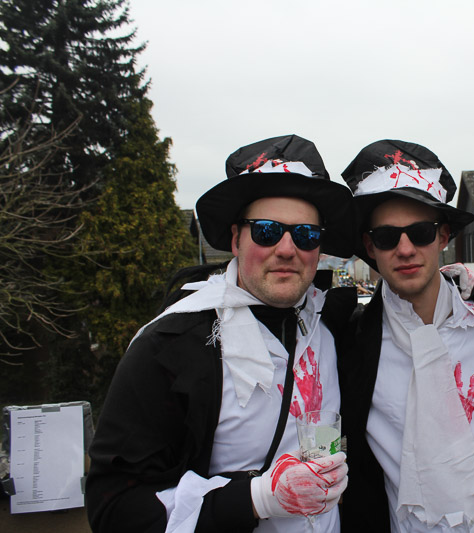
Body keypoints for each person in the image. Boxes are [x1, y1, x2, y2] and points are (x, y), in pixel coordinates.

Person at [86, 135, 358, 533]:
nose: (287, 249)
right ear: (235, 239)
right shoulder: (170, 346)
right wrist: (256, 498)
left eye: (306, 234)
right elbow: (115, 510)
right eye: (266, 231)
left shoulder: (330, 321)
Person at [338, 140, 474, 533]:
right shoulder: (348, 344)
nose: (405, 249)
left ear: (443, 237)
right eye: (387, 237)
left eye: (420, 232)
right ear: (370, 246)